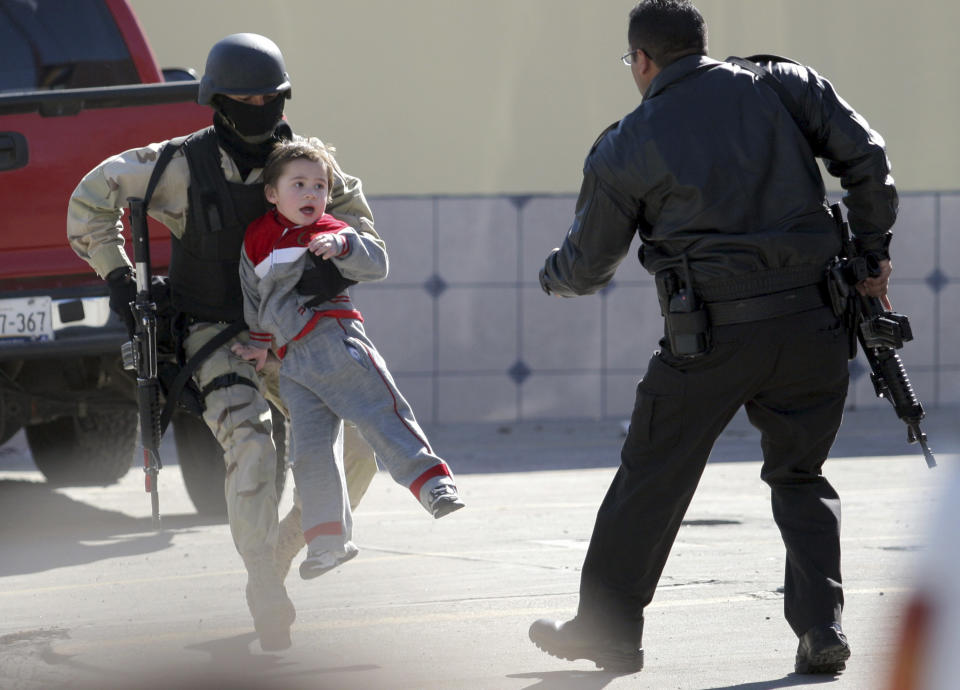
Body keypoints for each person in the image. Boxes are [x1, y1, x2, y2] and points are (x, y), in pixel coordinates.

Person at [528, 0, 897, 675]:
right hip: (815, 324)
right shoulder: (785, 84)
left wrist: (551, 275)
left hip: (709, 341)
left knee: (652, 477)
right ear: (702, 44)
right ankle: (821, 629)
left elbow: (585, 268)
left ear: (641, 60)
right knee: (801, 475)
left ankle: (609, 632)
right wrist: (871, 254)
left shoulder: (626, 143)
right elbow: (868, 159)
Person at [66, 33, 380, 652]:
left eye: (271, 97)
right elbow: (89, 199)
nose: (260, 106)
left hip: (291, 326)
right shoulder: (178, 165)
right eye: (245, 97)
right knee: (253, 448)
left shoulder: (303, 164)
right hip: (213, 333)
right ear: (217, 100)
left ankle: (282, 548)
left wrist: (337, 256)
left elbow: (359, 224)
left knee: (365, 441)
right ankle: (263, 581)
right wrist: (117, 276)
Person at [232, 138, 464, 578]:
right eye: (298, 184)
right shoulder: (257, 239)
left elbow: (378, 264)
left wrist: (344, 247)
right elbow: (253, 296)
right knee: (311, 455)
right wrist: (260, 343)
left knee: (381, 413)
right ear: (271, 193)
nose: (310, 195)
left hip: (335, 341)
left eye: (319, 186)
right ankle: (327, 544)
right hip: (293, 365)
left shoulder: (330, 229)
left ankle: (433, 483)